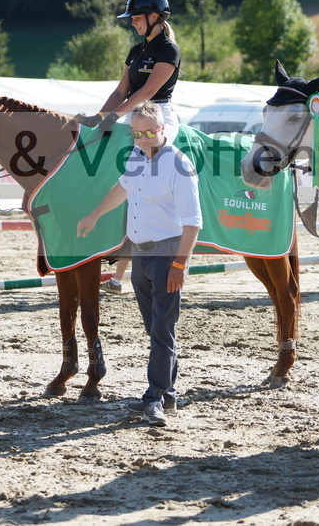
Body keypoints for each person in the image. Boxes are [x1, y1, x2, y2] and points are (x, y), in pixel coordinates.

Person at [76, 102, 201, 427]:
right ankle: (168, 392)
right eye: (136, 133)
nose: (142, 138)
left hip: (167, 255)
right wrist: (94, 214)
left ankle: (154, 398)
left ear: (161, 129)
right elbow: (122, 188)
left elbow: (192, 222)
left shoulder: (179, 165)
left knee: (162, 329)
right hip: (141, 255)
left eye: (148, 132)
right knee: (156, 329)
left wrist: (179, 264)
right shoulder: (134, 156)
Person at [79, 0, 183, 296]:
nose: (132, 23)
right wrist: (101, 116)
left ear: (154, 17)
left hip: (157, 115)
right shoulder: (137, 51)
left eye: (136, 18)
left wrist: (115, 117)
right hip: (130, 114)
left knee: (146, 165)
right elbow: (121, 89)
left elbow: (147, 92)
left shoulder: (168, 50)